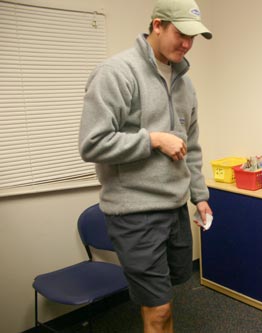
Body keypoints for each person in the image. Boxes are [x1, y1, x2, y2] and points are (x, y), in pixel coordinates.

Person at [78, 0, 213, 332]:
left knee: (165, 301)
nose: (187, 44)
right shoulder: (116, 72)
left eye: (193, 37)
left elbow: (191, 146)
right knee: (159, 308)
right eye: (181, 34)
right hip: (134, 212)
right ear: (157, 25)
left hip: (174, 208)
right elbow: (92, 143)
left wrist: (200, 195)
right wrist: (152, 139)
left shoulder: (185, 82)